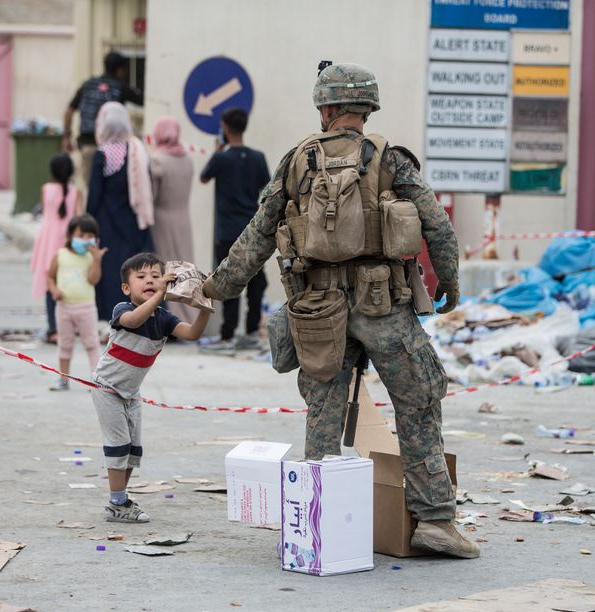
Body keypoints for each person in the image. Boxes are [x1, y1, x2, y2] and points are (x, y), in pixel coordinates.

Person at [201, 62, 479, 558]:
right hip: (383, 307)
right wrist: (450, 285)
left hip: (316, 307)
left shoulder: (295, 162)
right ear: (367, 110)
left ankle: (318, 523)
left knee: (324, 411)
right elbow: (436, 225)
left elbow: (257, 236)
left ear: (325, 109)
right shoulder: (391, 160)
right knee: (418, 401)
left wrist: (217, 287)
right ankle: (435, 520)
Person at [91, 252, 211, 523]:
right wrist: (162, 292)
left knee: (132, 451)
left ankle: (119, 500)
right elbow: (134, 321)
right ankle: (117, 502)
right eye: (142, 277)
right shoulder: (122, 311)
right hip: (107, 389)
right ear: (126, 288)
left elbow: (192, 334)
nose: (150, 281)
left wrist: (205, 305)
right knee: (118, 446)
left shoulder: (164, 319)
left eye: (156, 276)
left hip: (131, 394)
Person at [199, 107, 270, 354]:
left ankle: (227, 335)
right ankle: (251, 332)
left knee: (229, 281)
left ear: (225, 128)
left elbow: (204, 178)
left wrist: (218, 150)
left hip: (227, 230)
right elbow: (265, 186)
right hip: (253, 230)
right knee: (256, 281)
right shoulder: (258, 157)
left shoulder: (221, 158)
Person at [86, 102, 154, 321]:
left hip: (107, 223)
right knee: (134, 270)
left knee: (110, 271)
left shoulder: (103, 154)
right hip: (133, 222)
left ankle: (112, 316)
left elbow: (95, 194)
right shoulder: (137, 150)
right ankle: (137, 314)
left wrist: (87, 224)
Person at [63, 52, 144, 186]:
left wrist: (67, 136)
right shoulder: (120, 87)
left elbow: (69, 111)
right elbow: (142, 100)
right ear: (120, 70)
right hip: (113, 147)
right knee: (112, 186)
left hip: (87, 143)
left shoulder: (88, 85)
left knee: (91, 185)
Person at [47, 215, 106, 391]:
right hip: (64, 308)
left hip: (86, 307)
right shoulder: (60, 255)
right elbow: (50, 277)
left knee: (92, 343)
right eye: (82, 235)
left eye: (90, 236)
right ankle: (63, 380)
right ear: (70, 236)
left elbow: (93, 280)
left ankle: (95, 380)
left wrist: (97, 260)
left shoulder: (90, 257)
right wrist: (54, 290)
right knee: (65, 344)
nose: (86, 240)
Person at [148, 115, 197, 323]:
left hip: (162, 219)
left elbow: (152, 196)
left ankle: (172, 318)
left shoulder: (157, 160)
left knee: (165, 268)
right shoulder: (187, 159)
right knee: (184, 268)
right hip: (183, 217)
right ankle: (190, 315)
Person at [30, 153, 82, 344]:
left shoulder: (46, 189)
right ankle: (70, 328)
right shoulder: (76, 192)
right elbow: (78, 218)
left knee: (49, 284)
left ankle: (53, 329)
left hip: (48, 241)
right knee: (69, 284)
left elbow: (45, 212)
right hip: (67, 242)